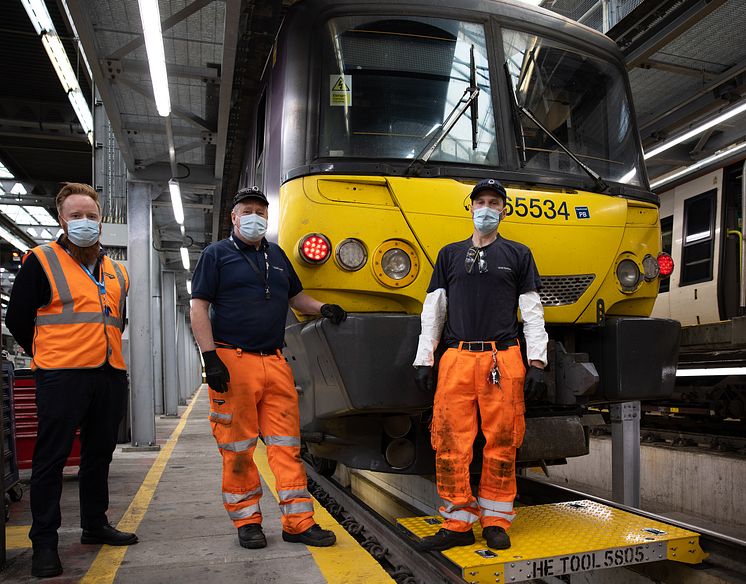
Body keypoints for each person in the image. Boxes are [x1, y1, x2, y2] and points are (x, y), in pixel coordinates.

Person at [190, 186, 347, 550]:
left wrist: (322, 307)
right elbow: (199, 306)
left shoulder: (276, 256)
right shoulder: (216, 255)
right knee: (238, 447)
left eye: (261, 211)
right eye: (248, 210)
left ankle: (298, 522)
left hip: (275, 360)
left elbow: (295, 297)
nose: (255, 217)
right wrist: (209, 356)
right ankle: (248, 522)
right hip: (233, 360)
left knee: (286, 445)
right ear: (234, 216)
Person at [5, 183, 137, 578]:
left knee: (99, 455)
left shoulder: (117, 271)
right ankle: (44, 543)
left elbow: (118, 321)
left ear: (101, 220)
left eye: (91, 216)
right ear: (62, 220)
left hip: (109, 374)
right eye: (76, 216)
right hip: (62, 375)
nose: (84, 222)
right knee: (51, 459)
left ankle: (94, 525)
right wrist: (46, 356)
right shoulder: (40, 261)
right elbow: (17, 319)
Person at [412, 178, 548, 552]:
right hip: (456, 359)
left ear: (503, 209)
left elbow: (533, 312)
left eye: (494, 201)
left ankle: (496, 520)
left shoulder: (519, 255)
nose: (486, 207)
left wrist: (537, 361)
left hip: (502, 358)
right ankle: (457, 522)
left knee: (502, 441)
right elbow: (434, 310)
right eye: (480, 201)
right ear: (470, 207)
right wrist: (425, 358)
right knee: (450, 443)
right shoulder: (449, 255)